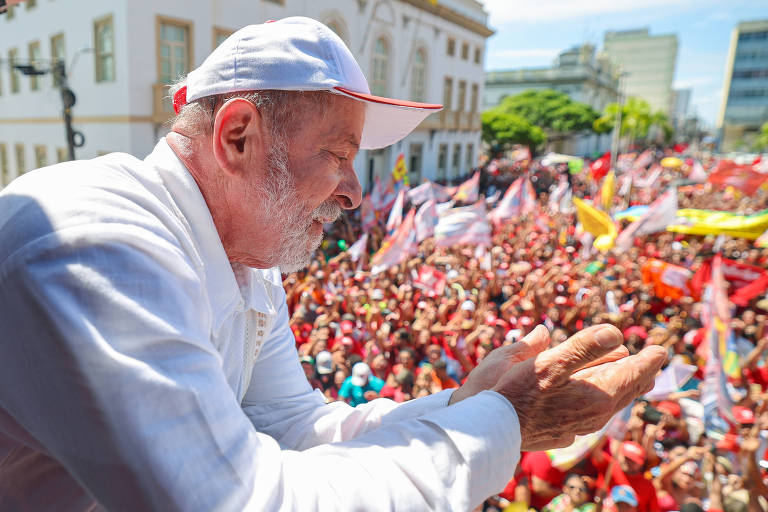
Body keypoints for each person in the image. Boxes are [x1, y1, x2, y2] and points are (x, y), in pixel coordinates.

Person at [0, 16, 666, 511]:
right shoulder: (97, 245)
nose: (355, 190)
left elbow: (295, 424)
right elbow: (247, 502)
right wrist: (501, 423)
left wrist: (469, 404)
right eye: (339, 153)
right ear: (238, 137)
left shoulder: (246, 264)